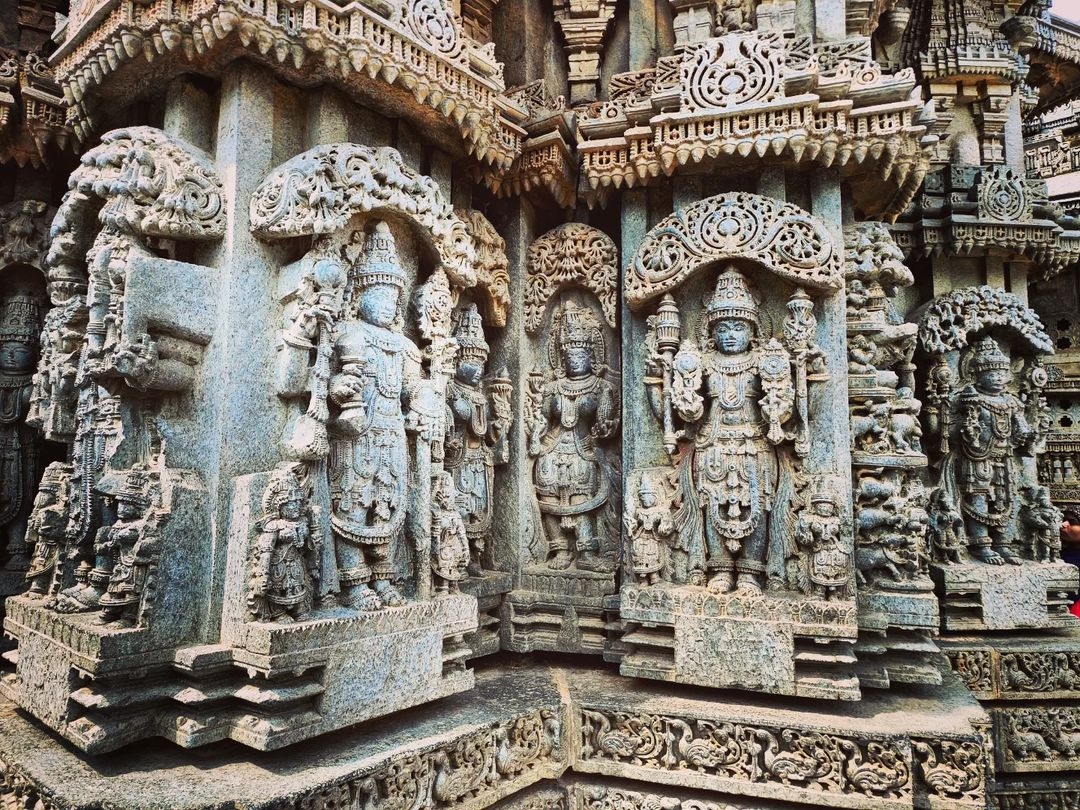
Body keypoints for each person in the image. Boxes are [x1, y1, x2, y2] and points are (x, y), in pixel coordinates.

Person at [529, 301, 618, 572]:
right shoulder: (553, 387)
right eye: (569, 357)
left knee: (581, 498)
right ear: (562, 358)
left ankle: (587, 552)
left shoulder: (601, 386)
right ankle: (560, 549)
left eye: (580, 356)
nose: (575, 361)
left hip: (583, 448)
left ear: (591, 357)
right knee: (549, 496)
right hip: (553, 447)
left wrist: (604, 428)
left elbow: (607, 423)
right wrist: (535, 432)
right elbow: (542, 417)